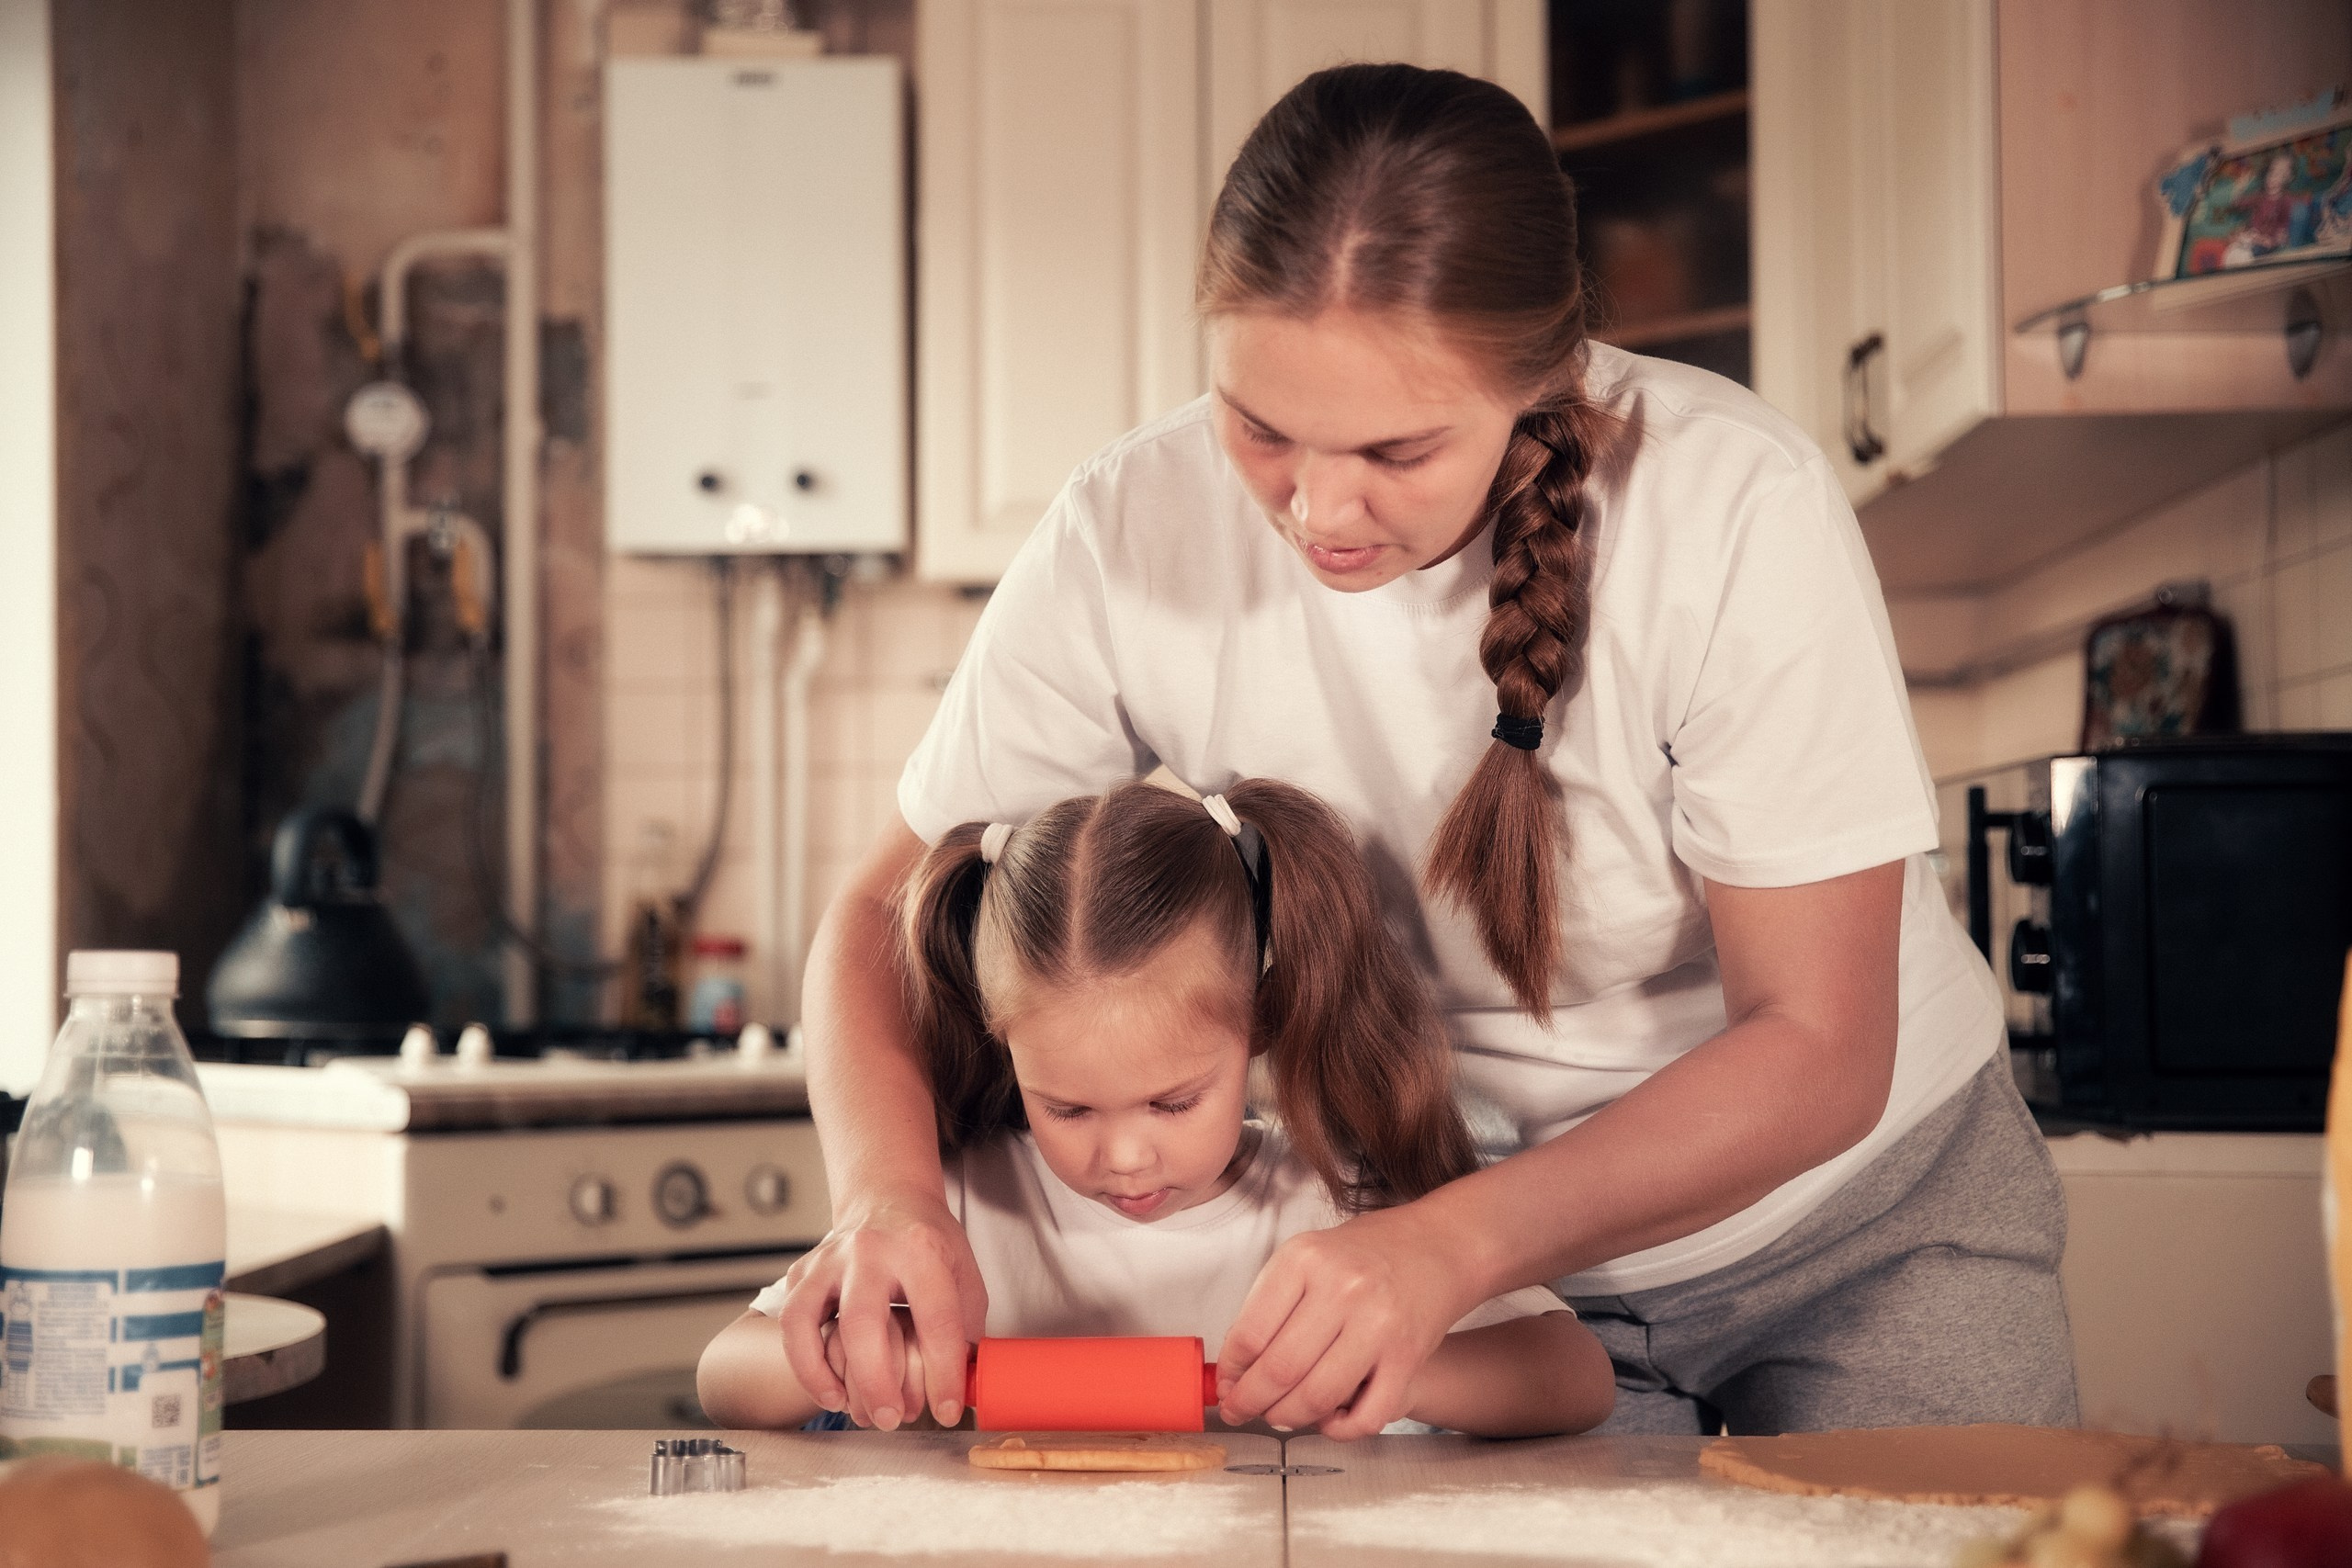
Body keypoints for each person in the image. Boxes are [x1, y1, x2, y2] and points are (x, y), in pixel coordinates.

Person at [774, 62, 2078, 1440]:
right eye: (1261, 426)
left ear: (1542, 383)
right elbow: (879, 908)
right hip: (1473, 1290)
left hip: (1859, 1228)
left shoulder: (1736, 506)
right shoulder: (1124, 532)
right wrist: (889, 1195)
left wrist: (1450, 1244)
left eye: (1398, 448)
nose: (1316, 505)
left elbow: (1820, 1045)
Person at [699, 779, 1612, 1438]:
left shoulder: (1330, 1207)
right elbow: (723, 1376)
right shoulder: (953, 1210)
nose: (1126, 1156)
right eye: (1068, 1107)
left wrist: (1397, 1371)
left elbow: (1573, 1378)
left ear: (1257, 1024)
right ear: (998, 1040)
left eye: (1173, 1102)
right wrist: (860, 1363)